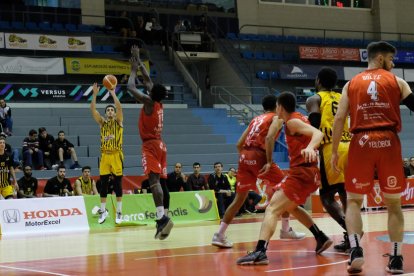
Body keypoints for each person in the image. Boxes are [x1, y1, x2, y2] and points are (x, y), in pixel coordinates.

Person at [331, 41, 414, 274]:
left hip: (361, 142)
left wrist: (335, 151)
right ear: (380, 59)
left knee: (354, 201)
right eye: (391, 59)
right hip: (388, 141)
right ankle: (396, 259)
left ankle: (356, 250)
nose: (393, 63)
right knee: (394, 204)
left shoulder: (350, 84)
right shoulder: (397, 82)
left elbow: (339, 119)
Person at [237, 92, 332, 265]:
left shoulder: (293, 122)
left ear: (280, 107)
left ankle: (260, 252)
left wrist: (310, 148)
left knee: (272, 209)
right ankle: (320, 237)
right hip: (308, 174)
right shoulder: (298, 118)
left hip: (301, 174)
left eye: (277, 107)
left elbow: (317, 134)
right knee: (291, 206)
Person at [212, 94, 305, 249]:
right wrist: (268, 161)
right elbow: (269, 139)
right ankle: (285, 229)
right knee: (287, 187)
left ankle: (219, 234)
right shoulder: (276, 118)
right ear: (277, 106)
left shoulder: (255, 119)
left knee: (239, 199)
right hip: (259, 154)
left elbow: (238, 144)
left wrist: (246, 160)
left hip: (244, 155)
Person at [127, 45, 173, 240]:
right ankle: (163, 216)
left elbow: (131, 88)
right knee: (160, 182)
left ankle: (162, 217)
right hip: (161, 144)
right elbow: (147, 79)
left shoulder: (148, 102)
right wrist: (139, 61)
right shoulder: (159, 102)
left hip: (151, 145)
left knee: (153, 182)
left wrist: (131, 70)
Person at [306, 67, 351, 252]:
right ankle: (352, 239)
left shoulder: (314, 98)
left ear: (318, 80)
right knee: (346, 193)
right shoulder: (342, 97)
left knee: (326, 198)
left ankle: (352, 231)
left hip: (330, 148)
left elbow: (315, 126)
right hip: (349, 145)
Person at [91, 82, 124, 225]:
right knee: (103, 185)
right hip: (105, 156)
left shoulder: (119, 122)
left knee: (117, 185)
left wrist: (112, 92)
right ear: (105, 113)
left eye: (112, 110)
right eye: (108, 110)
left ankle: (119, 212)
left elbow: (119, 107)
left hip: (116, 155)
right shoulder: (102, 123)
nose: (110, 111)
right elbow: (92, 109)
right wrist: (94, 94)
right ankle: (103, 212)